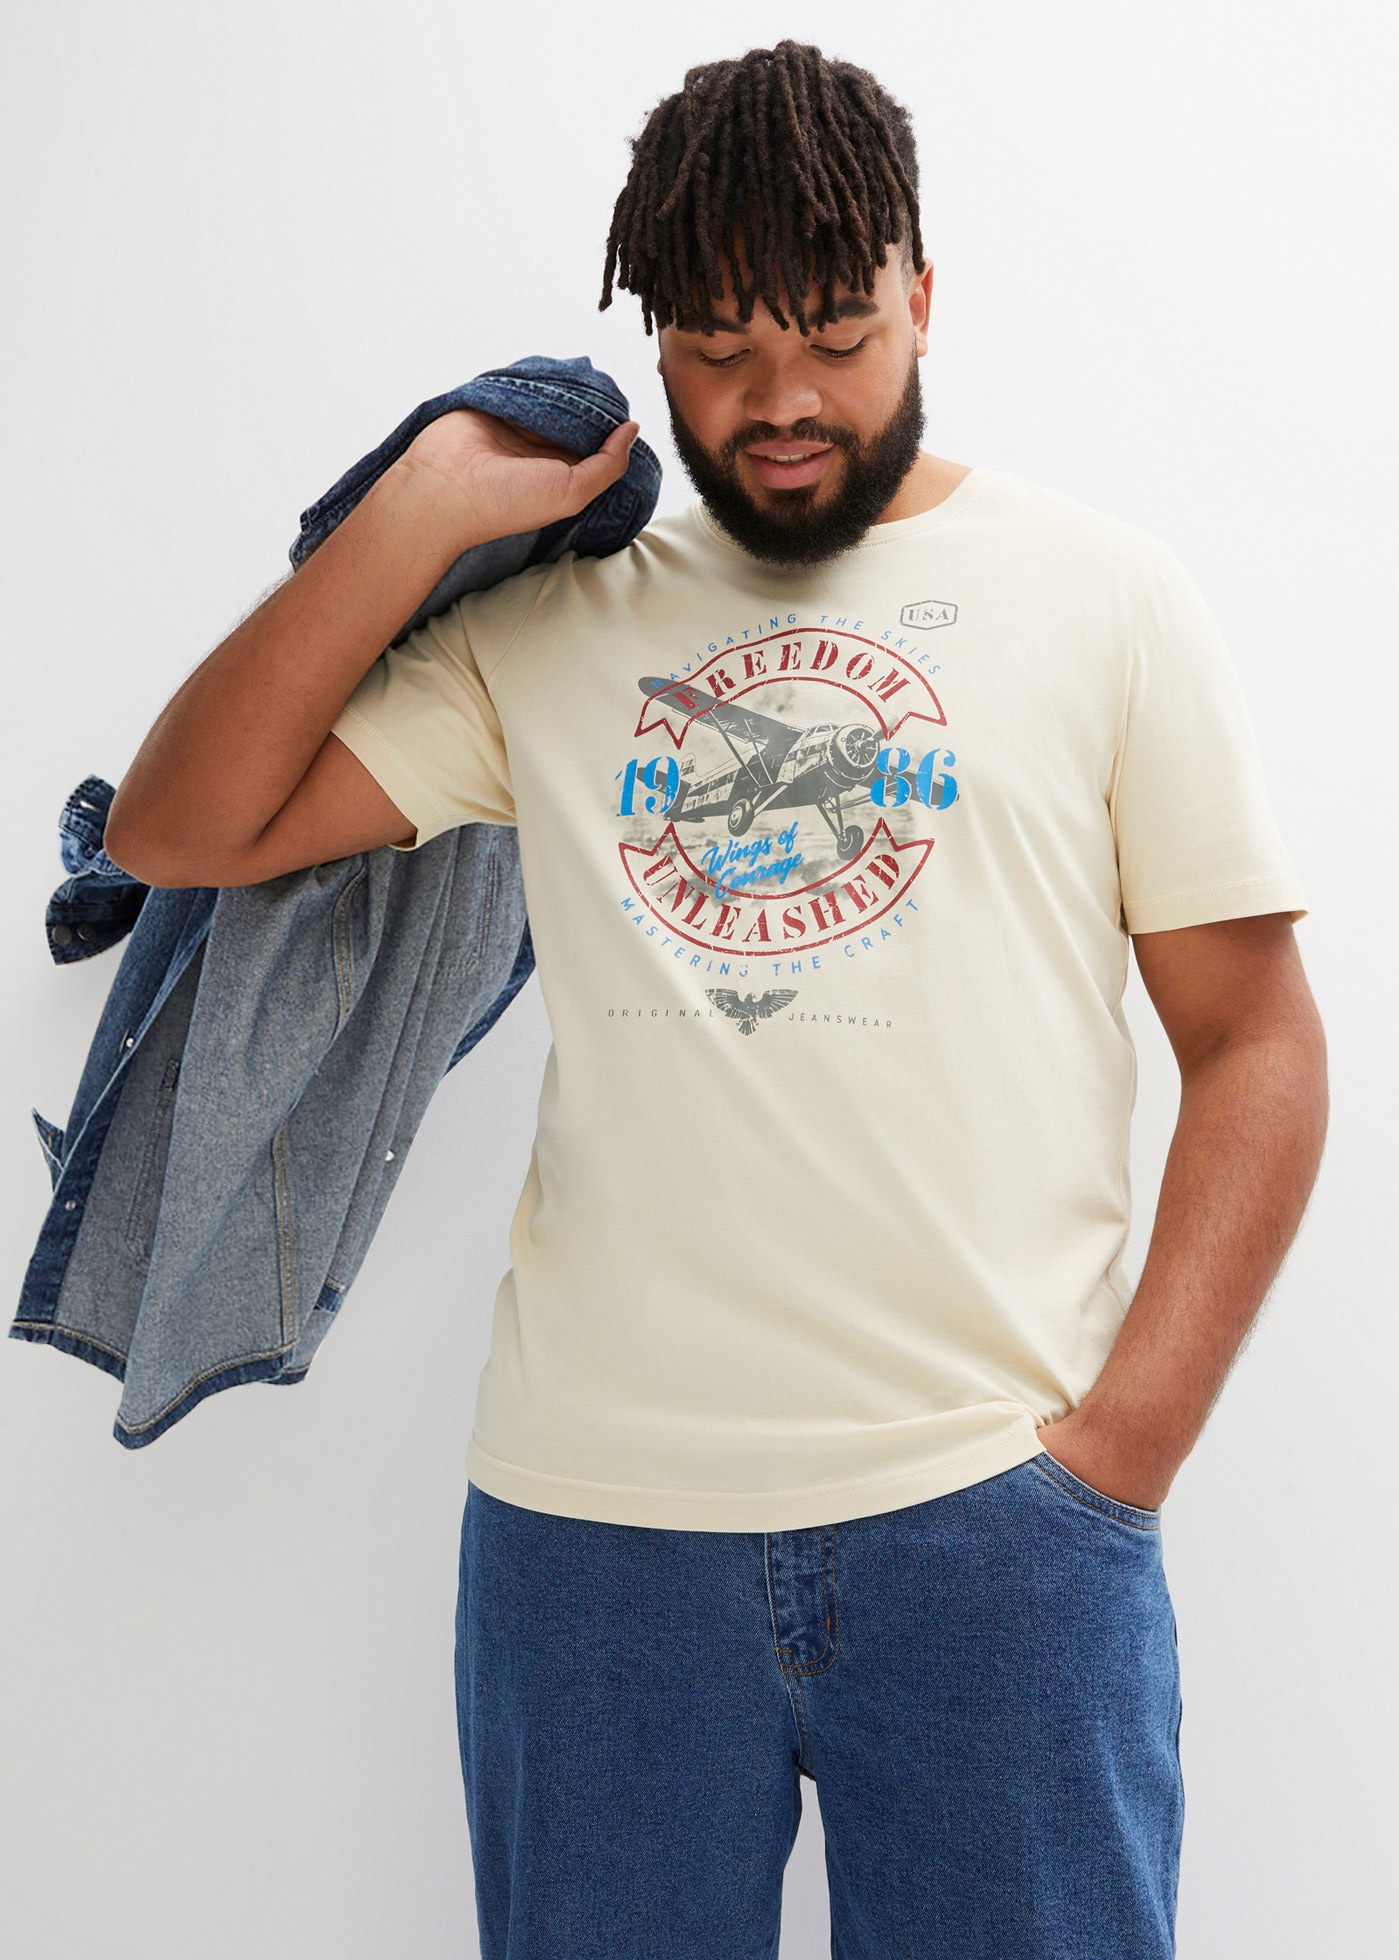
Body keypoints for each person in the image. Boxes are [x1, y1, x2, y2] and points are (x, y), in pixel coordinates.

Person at [104, 40, 1327, 1960]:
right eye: (719, 351)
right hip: (593, 1543)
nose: (783, 406)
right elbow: (183, 827)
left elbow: (1254, 1040)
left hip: (997, 1527)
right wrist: (419, 511)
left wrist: (1122, 1457)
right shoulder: (552, 625)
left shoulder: (1104, 598)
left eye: (838, 338)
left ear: (924, 294)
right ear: (653, 339)